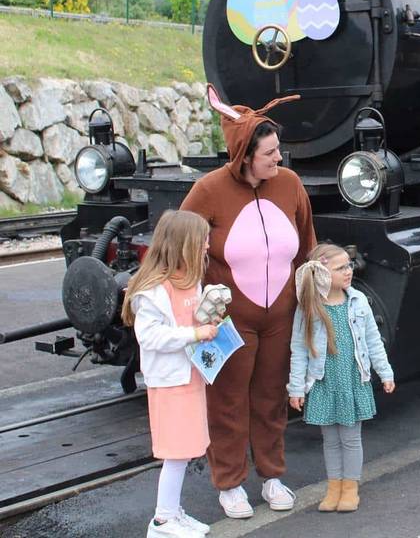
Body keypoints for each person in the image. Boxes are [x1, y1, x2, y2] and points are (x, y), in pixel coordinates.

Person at [180, 85, 317, 519]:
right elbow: (180, 249)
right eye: (270, 153)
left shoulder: (291, 185)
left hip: (280, 316)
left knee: (271, 396)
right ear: (245, 156)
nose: (279, 158)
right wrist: (192, 302)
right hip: (229, 322)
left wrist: (314, 300)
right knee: (228, 400)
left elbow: (306, 246)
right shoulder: (208, 191)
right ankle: (230, 482)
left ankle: (273, 475)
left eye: (279, 150)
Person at [121, 210, 218, 538]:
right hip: (170, 382)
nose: (208, 245)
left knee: (188, 447)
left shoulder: (191, 280)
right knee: (176, 453)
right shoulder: (154, 291)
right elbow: (150, 337)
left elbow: (192, 320)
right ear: (184, 244)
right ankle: (162, 521)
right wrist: (195, 334)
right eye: (203, 240)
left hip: (191, 376)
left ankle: (173, 512)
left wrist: (210, 322)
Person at [288, 242, 395, 513]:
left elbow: (373, 340)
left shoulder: (357, 301)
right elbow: (299, 349)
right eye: (340, 268)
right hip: (324, 383)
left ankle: (350, 487)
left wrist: (385, 372)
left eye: (349, 265)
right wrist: (296, 388)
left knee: (350, 438)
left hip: (351, 380)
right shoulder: (308, 308)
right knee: (330, 440)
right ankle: (333, 486)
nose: (348, 271)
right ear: (322, 274)